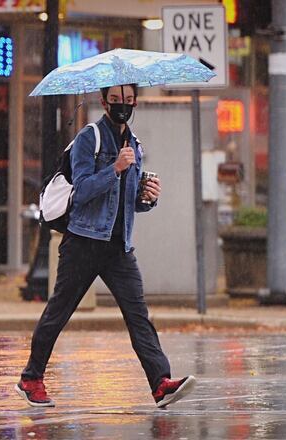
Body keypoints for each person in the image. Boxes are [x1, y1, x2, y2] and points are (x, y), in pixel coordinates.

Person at [15, 84, 196, 408]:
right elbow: (82, 190)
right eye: (115, 100)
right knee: (58, 312)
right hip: (83, 242)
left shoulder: (134, 144)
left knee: (138, 316)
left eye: (127, 100)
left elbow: (128, 202)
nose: (121, 106)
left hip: (118, 247)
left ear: (135, 102)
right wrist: (114, 169)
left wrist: (148, 197)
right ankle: (31, 378)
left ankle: (160, 384)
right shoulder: (90, 138)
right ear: (103, 101)